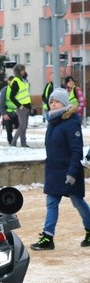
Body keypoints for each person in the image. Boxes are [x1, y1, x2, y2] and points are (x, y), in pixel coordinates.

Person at [30, 88, 90, 250]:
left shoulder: (71, 122)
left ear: (64, 103)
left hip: (69, 171)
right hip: (54, 171)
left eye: (56, 101)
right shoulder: (53, 121)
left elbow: (76, 150)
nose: (53, 104)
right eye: (51, 101)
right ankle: (48, 237)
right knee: (51, 203)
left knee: (78, 202)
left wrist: (72, 172)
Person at [9, 64, 32, 148]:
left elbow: (26, 94)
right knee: (22, 125)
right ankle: (13, 142)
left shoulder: (24, 80)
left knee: (25, 126)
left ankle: (23, 143)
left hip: (27, 105)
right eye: (22, 70)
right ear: (19, 71)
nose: (24, 71)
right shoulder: (16, 81)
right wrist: (19, 105)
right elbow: (12, 96)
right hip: (21, 107)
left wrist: (30, 106)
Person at [0, 76, 19, 145]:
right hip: (8, 113)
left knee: (20, 128)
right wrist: (4, 114)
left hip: (17, 113)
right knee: (9, 129)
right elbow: (1, 103)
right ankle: (11, 142)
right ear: (8, 82)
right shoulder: (5, 90)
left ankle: (20, 141)